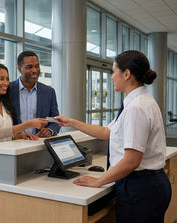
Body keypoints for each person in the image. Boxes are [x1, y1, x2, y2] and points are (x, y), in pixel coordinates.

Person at [55, 50, 171, 223]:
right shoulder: (137, 102)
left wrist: (99, 181)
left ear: (126, 74)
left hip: (140, 189)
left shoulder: (136, 108)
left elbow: (132, 160)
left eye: (113, 71)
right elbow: (107, 132)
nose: (111, 77)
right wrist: (72, 122)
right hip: (145, 186)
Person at [0, 63, 48, 223]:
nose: (6, 82)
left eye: (7, 78)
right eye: (1, 79)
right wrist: (30, 124)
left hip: (1, 165)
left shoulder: (4, 104)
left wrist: (20, 136)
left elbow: (4, 135)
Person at [10, 51, 61, 138]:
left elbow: (55, 120)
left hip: (39, 144)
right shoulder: (8, 90)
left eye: (37, 66)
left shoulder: (49, 92)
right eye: (29, 67)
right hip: (15, 144)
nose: (35, 70)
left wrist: (49, 130)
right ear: (19, 69)